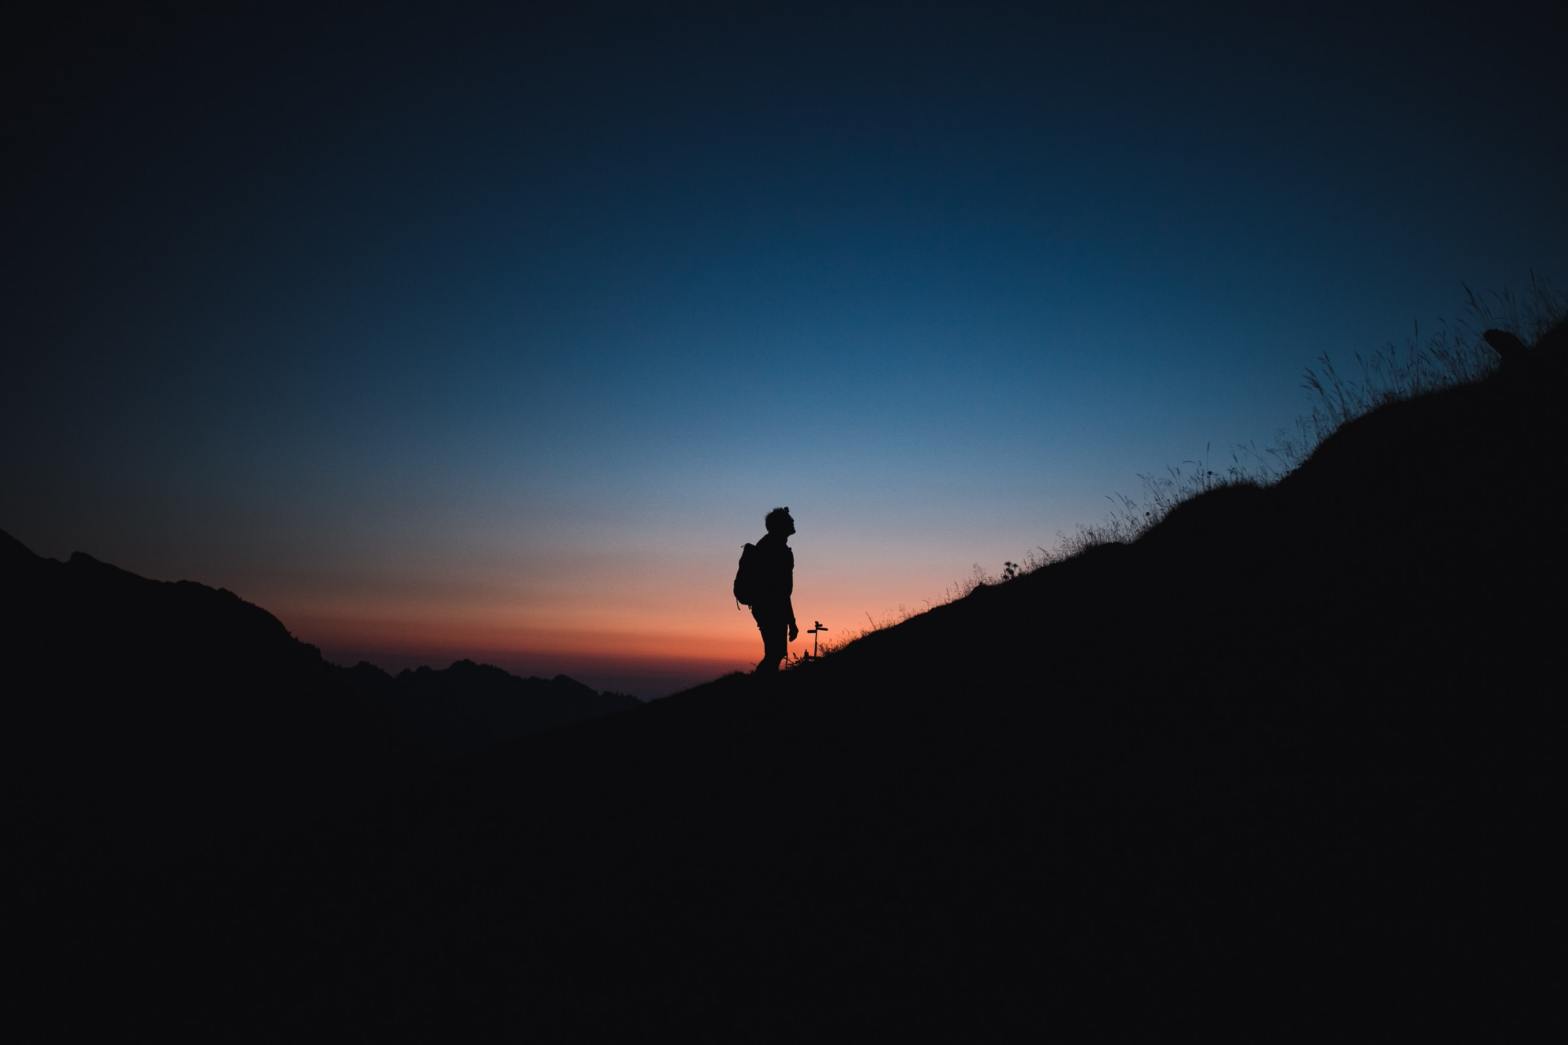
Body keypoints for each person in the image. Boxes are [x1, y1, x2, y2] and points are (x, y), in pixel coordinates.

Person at [751, 507, 799, 673]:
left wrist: (791, 620)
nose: (793, 521)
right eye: (789, 520)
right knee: (775, 653)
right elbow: (780, 590)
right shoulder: (775, 548)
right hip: (770, 606)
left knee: (775, 653)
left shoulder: (772, 545)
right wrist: (791, 621)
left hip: (769, 605)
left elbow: (783, 591)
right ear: (781, 525)